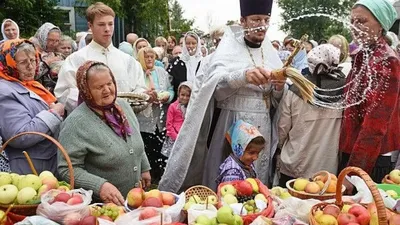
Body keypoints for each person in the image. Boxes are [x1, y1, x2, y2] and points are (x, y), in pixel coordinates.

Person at [159, 0, 285, 193]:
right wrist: (242, 76)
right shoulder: (227, 51)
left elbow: (275, 100)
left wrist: (278, 87)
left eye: (266, 20)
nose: (263, 26)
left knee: (257, 182)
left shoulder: (270, 54)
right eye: (256, 19)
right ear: (242, 21)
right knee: (229, 185)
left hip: (262, 125)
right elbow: (213, 90)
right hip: (232, 121)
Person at [58, 61, 151, 205]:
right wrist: (99, 186)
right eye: (99, 87)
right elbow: (67, 169)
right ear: (86, 90)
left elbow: (133, 139)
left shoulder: (124, 107)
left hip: (133, 201)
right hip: (101, 207)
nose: (107, 90)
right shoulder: (76, 123)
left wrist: (144, 167)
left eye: (109, 83)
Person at [339, 0, 400, 185]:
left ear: (381, 25)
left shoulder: (386, 61)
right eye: (352, 21)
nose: (354, 27)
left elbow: (376, 123)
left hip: (371, 158)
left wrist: (354, 172)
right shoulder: (362, 55)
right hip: (353, 151)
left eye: (362, 21)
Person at [54, 2, 146, 114]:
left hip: (124, 122)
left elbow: (139, 89)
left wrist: (145, 96)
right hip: (90, 124)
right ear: (90, 26)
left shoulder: (128, 60)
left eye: (110, 24)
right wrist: (97, 108)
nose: (107, 29)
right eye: (101, 25)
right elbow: (64, 94)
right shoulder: (75, 60)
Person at [277, 44, 346, 186]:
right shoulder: (345, 90)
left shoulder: (295, 89)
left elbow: (282, 128)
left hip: (295, 163)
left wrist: (278, 149)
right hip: (327, 168)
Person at [0, 39, 64, 174]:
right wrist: (53, 113)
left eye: (33, 60)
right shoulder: (4, 90)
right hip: (28, 170)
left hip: (44, 166)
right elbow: (19, 136)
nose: (30, 66)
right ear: (9, 64)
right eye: (23, 62)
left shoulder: (32, 85)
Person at [136, 47, 174, 184]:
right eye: (146, 57)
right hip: (143, 118)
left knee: (159, 147)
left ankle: (158, 177)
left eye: (152, 57)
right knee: (146, 148)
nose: (150, 59)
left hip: (160, 116)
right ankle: (146, 177)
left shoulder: (161, 72)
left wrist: (168, 96)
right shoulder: (137, 73)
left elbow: (170, 89)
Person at [216, 120, 264, 185]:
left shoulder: (246, 163)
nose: (255, 157)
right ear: (239, 149)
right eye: (251, 153)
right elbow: (231, 194)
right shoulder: (232, 171)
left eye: (258, 153)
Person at [166, 31, 202, 99]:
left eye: (193, 43)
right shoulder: (176, 62)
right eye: (188, 43)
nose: (191, 46)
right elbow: (169, 82)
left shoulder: (203, 62)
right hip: (180, 100)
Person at [161, 82, 192, 158]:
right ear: (179, 94)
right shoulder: (173, 106)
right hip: (174, 137)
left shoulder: (191, 107)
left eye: (188, 95)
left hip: (186, 137)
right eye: (182, 95)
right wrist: (177, 137)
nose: (185, 98)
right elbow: (169, 125)